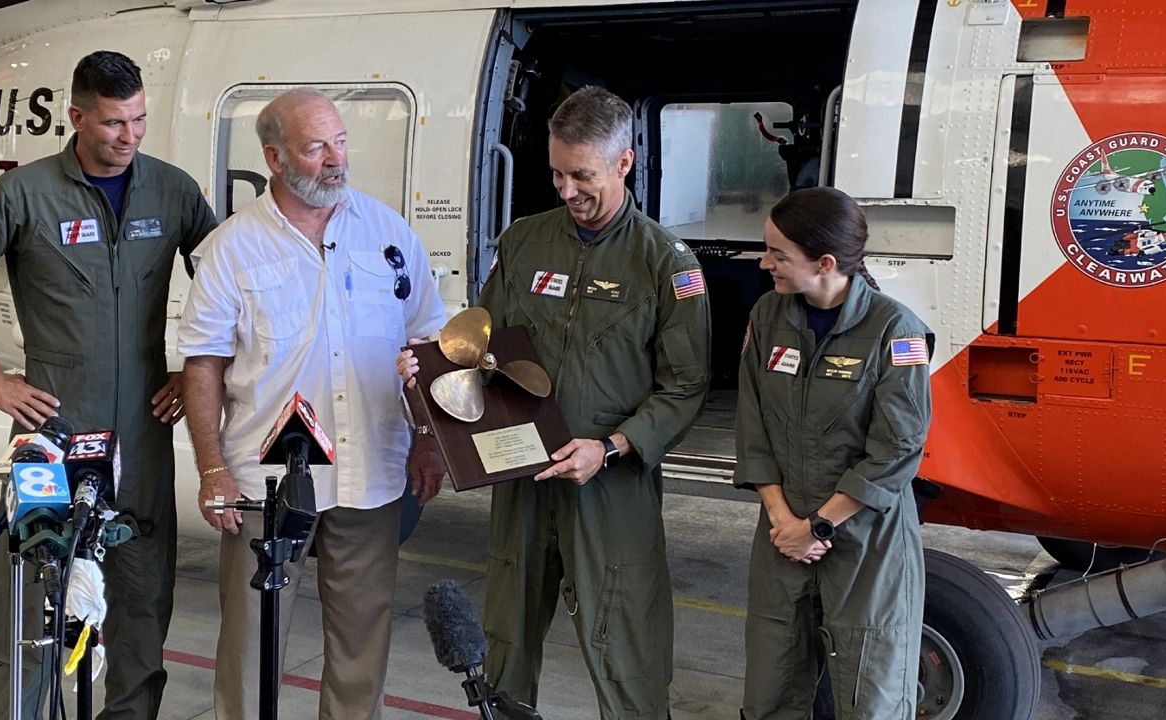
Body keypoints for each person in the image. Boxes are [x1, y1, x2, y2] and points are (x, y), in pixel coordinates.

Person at [399, 85, 711, 719]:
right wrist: (428, 369)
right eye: (557, 173)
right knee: (505, 637)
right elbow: (483, 345)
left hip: (610, 484)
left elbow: (684, 387)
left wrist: (612, 448)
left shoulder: (665, 263)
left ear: (624, 163)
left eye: (582, 175)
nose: (566, 191)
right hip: (522, 473)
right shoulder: (524, 243)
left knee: (625, 643)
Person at [0, 50, 217, 719]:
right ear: (77, 116)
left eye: (139, 120)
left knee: (142, 593)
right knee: (33, 596)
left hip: (142, 428)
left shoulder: (173, 191)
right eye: (114, 123)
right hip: (49, 432)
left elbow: (226, 279)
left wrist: (191, 368)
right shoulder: (21, 194)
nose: (130, 135)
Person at [177, 87, 447, 720]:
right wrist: (212, 468)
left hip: (373, 471)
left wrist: (431, 440)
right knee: (251, 640)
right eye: (317, 146)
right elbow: (204, 365)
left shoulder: (388, 232)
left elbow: (427, 341)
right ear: (274, 157)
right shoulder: (232, 248)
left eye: (341, 141)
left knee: (362, 642)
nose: (335, 159)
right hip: (268, 482)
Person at [733, 187, 932, 719]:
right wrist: (783, 521)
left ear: (824, 264)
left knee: (873, 696)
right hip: (782, 536)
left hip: (867, 543)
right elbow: (753, 425)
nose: (764, 261)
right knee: (771, 689)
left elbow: (897, 449)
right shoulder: (767, 316)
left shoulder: (895, 330)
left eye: (778, 253)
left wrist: (818, 527)